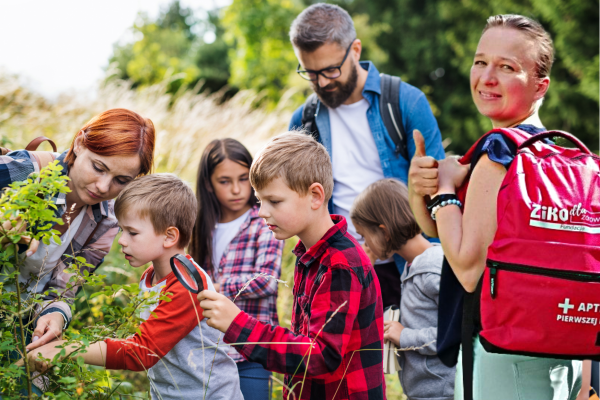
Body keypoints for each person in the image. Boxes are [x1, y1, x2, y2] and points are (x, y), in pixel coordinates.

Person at [408, 14, 586, 400]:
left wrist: (443, 189)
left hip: (503, 353)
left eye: (506, 67)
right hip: (562, 347)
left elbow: (469, 267)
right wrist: (425, 190)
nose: (486, 77)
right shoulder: (558, 158)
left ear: (541, 86)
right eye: (480, 61)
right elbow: (442, 232)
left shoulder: (499, 154)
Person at [197, 131, 386, 400]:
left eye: (274, 201)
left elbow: (320, 355)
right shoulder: (310, 255)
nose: (262, 211)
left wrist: (237, 324)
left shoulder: (340, 265)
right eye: (260, 200)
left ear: (315, 196)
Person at [23, 174, 243, 400]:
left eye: (133, 232)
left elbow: (141, 352)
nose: (122, 241)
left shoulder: (187, 285)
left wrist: (66, 349)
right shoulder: (151, 277)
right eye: (121, 230)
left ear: (169, 236)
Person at [288, 3, 445, 310]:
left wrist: (435, 270)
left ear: (355, 50)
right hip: (339, 270)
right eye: (310, 73)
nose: (321, 83)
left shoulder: (405, 102)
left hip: (406, 267)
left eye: (331, 70)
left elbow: (439, 197)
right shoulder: (303, 120)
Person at [0, 108, 155, 357]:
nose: (103, 187)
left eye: (122, 180)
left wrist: (56, 313)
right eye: (98, 167)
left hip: (19, 323)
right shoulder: (27, 171)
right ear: (80, 143)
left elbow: (64, 286)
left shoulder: (106, 219)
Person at [189, 138, 284, 400]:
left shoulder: (264, 221)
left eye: (244, 179)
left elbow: (267, 280)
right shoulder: (199, 226)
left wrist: (215, 288)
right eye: (224, 181)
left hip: (251, 349)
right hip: (208, 350)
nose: (236, 190)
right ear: (208, 183)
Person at [351, 178, 455, 400]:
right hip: (425, 391)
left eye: (364, 235)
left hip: (443, 393)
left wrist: (405, 335)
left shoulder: (432, 268)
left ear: (384, 232)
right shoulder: (413, 267)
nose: (364, 244)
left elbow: (457, 332)